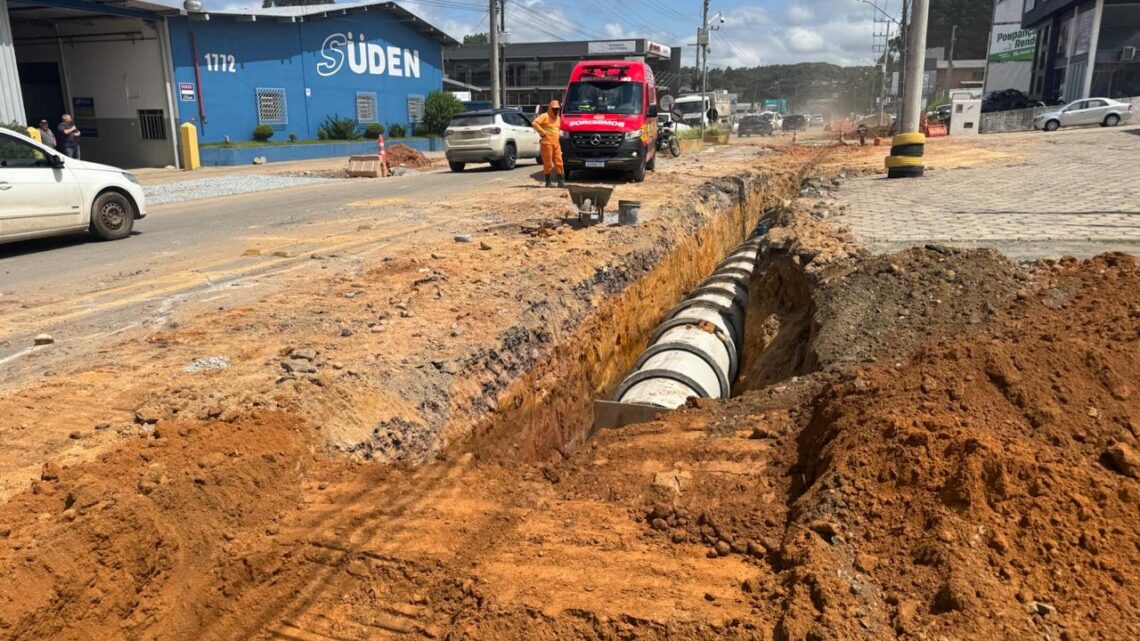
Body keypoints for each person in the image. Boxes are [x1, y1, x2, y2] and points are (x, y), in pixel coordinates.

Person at [530, 100, 564, 188]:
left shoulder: (558, 118)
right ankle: (548, 182)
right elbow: (534, 123)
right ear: (550, 108)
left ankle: (561, 182)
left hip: (556, 144)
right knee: (548, 163)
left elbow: (558, 129)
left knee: (559, 162)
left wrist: (560, 134)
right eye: (554, 109)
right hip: (547, 144)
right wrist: (542, 132)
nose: (556, 111)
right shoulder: (544, 116)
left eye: (557, 109)